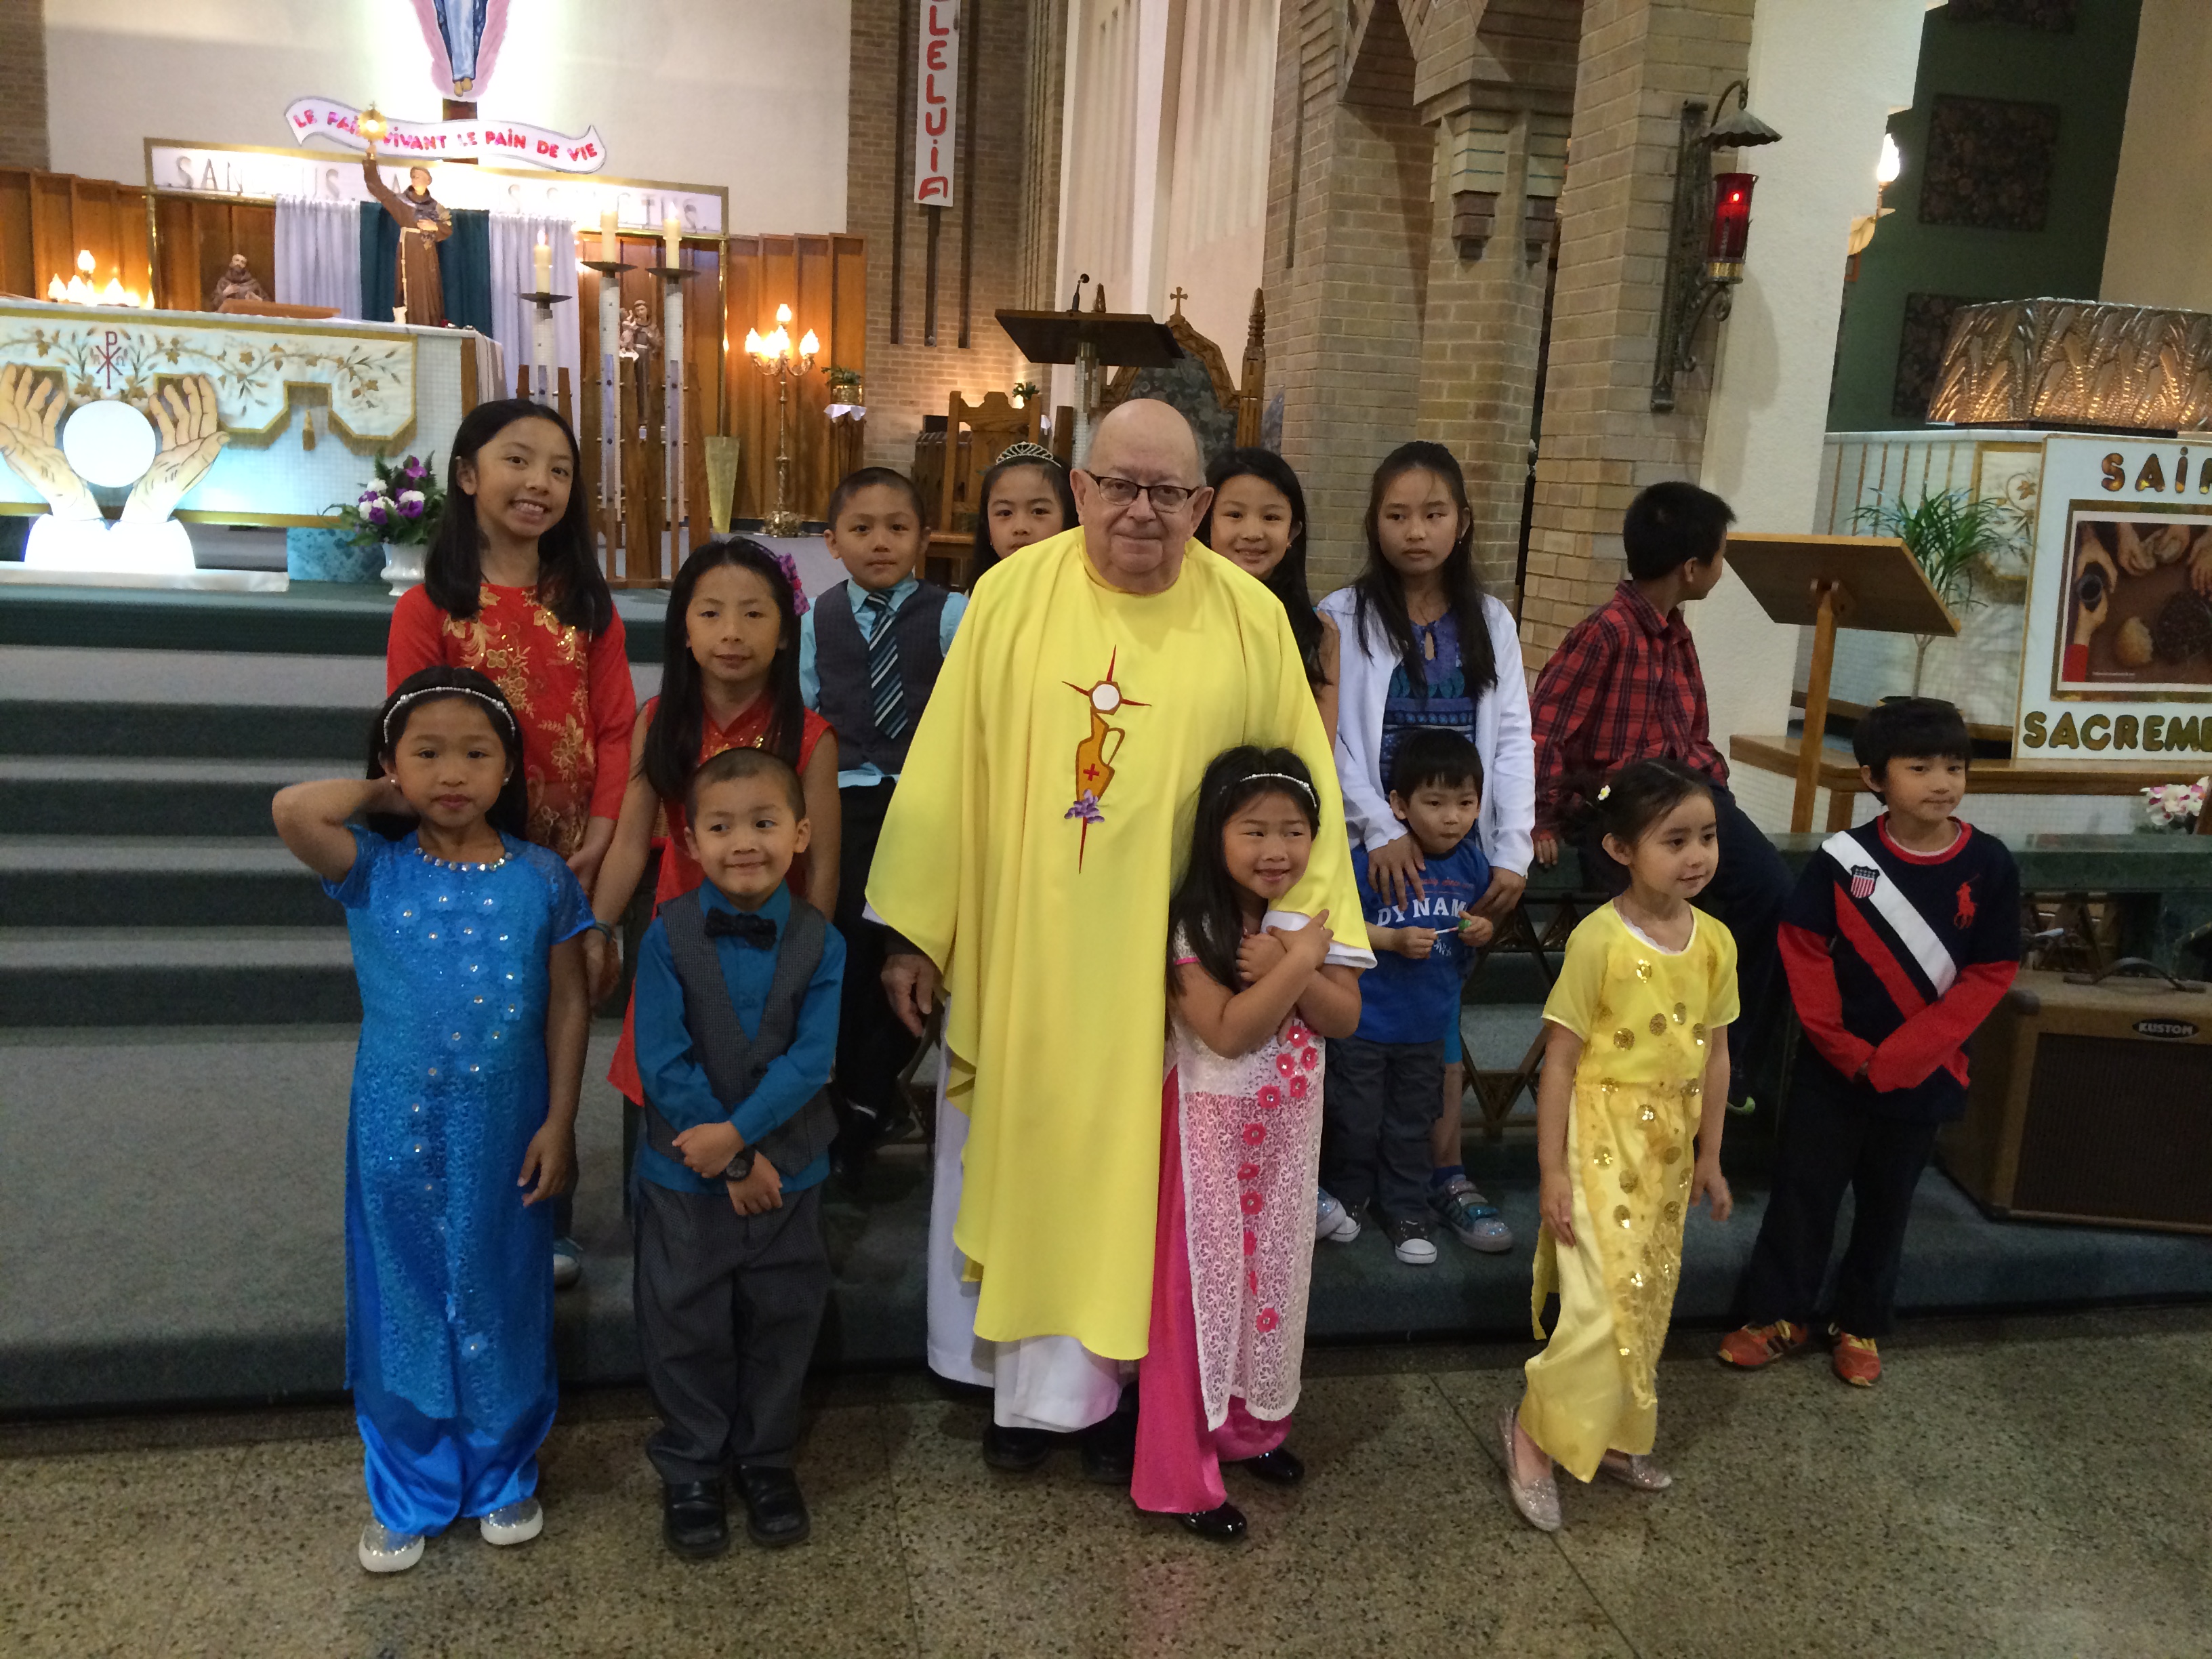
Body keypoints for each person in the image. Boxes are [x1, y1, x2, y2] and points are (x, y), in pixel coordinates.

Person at [869, 398, 1371, 1481]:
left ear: (1199, 503)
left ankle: (1162, 1401)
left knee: (1164, 1189)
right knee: (1043, 1156)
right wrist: (917, 930)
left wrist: (1308, 939)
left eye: (1170, 494)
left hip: (1186, 967)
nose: (1143, 513)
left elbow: (1303, 785)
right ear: (1082, 488)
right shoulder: (1010, 596)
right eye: (1120, 487)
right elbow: (949, 766)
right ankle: (1037, 1398)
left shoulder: (1247, 615)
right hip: (1036, 956)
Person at [272, 667, 592, 1574]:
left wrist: (562, 1120)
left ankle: (502, 1470)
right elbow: (295, 810)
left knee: (502, 1283)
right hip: (395, 1126)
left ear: (509, 769)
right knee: (405, 1295)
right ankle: (409, 1483)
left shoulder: (542, 878)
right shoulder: (372, 869)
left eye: (475, 754)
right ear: (392, 763)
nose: (453, 773)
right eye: (428, 754)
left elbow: (570, 1006)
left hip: (508, 1123)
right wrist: (387, 791)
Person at [388, 398, 635, 1288]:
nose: (540, 484)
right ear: (466, 474)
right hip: (466, 864)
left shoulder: (584, 607)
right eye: (518, 462)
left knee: (552, 1038)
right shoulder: (431, 609)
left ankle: (545, 1218)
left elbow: (613, 730)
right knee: (470, 1036)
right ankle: (458, 1210)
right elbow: (413, 737)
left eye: (560, 470)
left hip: (566, 860)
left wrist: (604, 829)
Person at [1719, 699, 2020, 1387]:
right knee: (1804, 1192)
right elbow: (1803, 947)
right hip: (1835, 1071)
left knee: (1889, 1203)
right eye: (1920, 767)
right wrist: (1843, 1047)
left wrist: (1910, 1055)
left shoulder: (1989, 864)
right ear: (1874, 777)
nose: (1941, 781)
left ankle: (1860, 1321)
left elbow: (1992, 971)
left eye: (1954, 767)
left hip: (1926, 1072)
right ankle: (1776, 1313)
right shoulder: (1842, 861)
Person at [1500, 760, 1736, 1533]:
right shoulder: (1598, 941)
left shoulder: (1716, 943)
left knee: (1646, 1296)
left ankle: (1609, 1434)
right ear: (1622, 849)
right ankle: (1534, 1434)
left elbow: (1717, 1054)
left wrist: (1709, 1155)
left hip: (1667, 1149)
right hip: (1601, 1142)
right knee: (1601, 1304)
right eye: (1675, 840)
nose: (1696, 854)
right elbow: (1560, 1062)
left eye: (1706, 836)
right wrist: (1551, 1172)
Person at [1136, 748, 1364, 1541]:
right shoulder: (1188, 924)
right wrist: (1299, 962)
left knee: (1270, 1285)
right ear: (1215, 835)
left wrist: (1299, 957)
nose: (1277, 850)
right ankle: (1178, 1475)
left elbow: (1345, 1019)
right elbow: (1230, 1033)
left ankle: (1249, 1430)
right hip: (1208, 1131)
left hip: (1286, 1137)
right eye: (1255, 830)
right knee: (1196, 1299)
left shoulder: (1310, 915)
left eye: (1294, 831)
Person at [1317, 441, 1533, 1246]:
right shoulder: (1343, 614)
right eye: (1397, 514)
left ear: (1463, 523)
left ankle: (1443, 1174)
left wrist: (1509, 846)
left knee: (1437, 1010)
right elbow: (1331, 736)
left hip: (1455, 845)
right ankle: (1351, 1178)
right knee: (1367, 1012)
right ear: (1375, 524)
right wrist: (1377, 823)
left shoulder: (1492, 620)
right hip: (1375, 847)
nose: (1416, 531)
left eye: (1434, 514)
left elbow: (1511, 735)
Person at [630, 747, 844, 1559]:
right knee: (684, 1319)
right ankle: (690, 1465)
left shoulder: (822, 942)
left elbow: (810, 1061)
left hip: (794, 1169)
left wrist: (747, 1142)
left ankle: (765, 1457)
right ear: (689, 840)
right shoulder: (665, 937)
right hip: (687, 1173)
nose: (742, 842)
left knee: (784, 1318)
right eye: (720, 827)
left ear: (801, 833)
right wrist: (726, 1156)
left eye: (763, 823)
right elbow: (664, 1061)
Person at [1528, 480, 1790, 1111]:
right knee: (1644, 939)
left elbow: (1692, 734)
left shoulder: (1677, 636)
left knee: (1780, 901)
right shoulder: (1606, 633)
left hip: (1689, 800)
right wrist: (1541, 816)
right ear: (1693, 568)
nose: (1721, 569)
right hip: (1627, 808)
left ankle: (1726, 1064)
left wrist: (1714, 791)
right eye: (1721, 556)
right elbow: (1545, 727)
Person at [588, 540, 838, 1170]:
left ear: (785, 633)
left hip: (774, 942)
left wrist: (809, 958)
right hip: (681, 938)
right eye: (711, 614)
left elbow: (825, 864)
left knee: (764, 1078)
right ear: (684, 632)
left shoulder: (809, 735)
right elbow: (627, 840)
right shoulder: (660, 719)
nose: (732, 633)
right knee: (673, 1071)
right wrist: (598, 928)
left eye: (754, 614)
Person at [798, 468, 965, 1174]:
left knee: (915, 943)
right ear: (833, 542)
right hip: (847, 801)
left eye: (897, 528)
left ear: (924, 540)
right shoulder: (817, 620)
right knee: (850, 946)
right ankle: (856, 1101)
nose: (880, 542)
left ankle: (873, 1094)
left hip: (924, 800)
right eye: (861, 529)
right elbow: (808, 712)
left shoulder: (954, 614)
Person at [1320, 729, 1504, 1263]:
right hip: (1365, 1025)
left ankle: (1406, 1210)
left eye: (1466, 803)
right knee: (1354, 1118)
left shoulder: (1471, 864)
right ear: (1398, 804)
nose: (1452, 817)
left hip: (1426, 1029)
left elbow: (1478, 923)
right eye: (1435, 802)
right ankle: (1350, 1198)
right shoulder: (1370, 862)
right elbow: (1340, 927)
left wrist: (1480, 930)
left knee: (1411, 1124)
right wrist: (1393, 940)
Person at [1198, 447, 1337, 742]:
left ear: (1293, 531)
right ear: (1206, 521)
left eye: (1271, 517)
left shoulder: (1319, 635)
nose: (1253, 532)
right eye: (1234, 514)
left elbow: (1319, 748)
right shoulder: (1181, 614)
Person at [968, 441, 1076, 587]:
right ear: (987, 526)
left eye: (1039, 511)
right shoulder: (976, 596)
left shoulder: (1082, 594)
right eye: (1005, 513)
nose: (1020, 527)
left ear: (1068, 519)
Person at [361, 154, 452, 327]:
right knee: (410, 290)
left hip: (428, 257)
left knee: (430, 292)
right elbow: (379, 189)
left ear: (428, 181)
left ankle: (431, 325)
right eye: (413, 176)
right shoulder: (402, 203)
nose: (414, 179)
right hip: (409, 252)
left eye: (418, 176)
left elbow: (447, 228)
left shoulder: (436, 207)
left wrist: (435, 227)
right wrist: (370, 162)